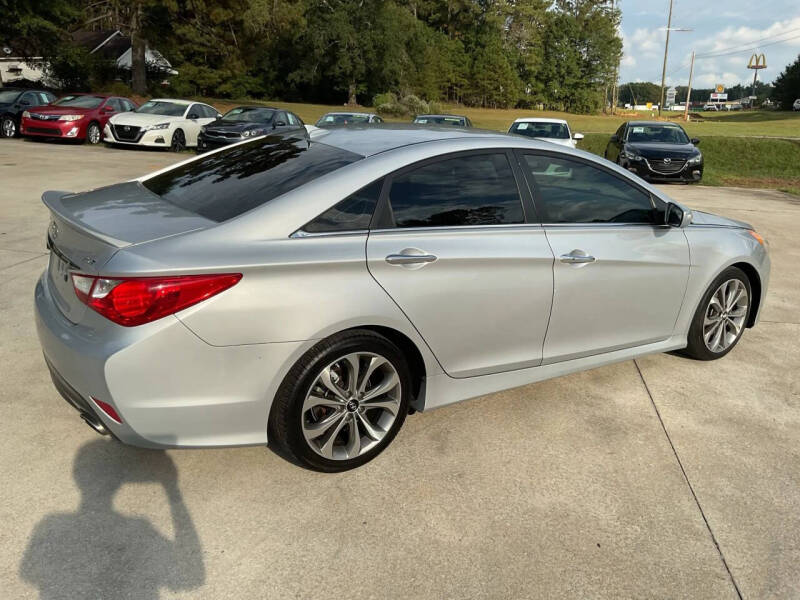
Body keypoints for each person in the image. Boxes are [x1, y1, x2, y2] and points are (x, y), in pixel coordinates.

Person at [20, 439, 204, 599]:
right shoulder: (139, 529)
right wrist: (171, 490)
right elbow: (191, 579)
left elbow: (28, 572)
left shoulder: (52, 524)